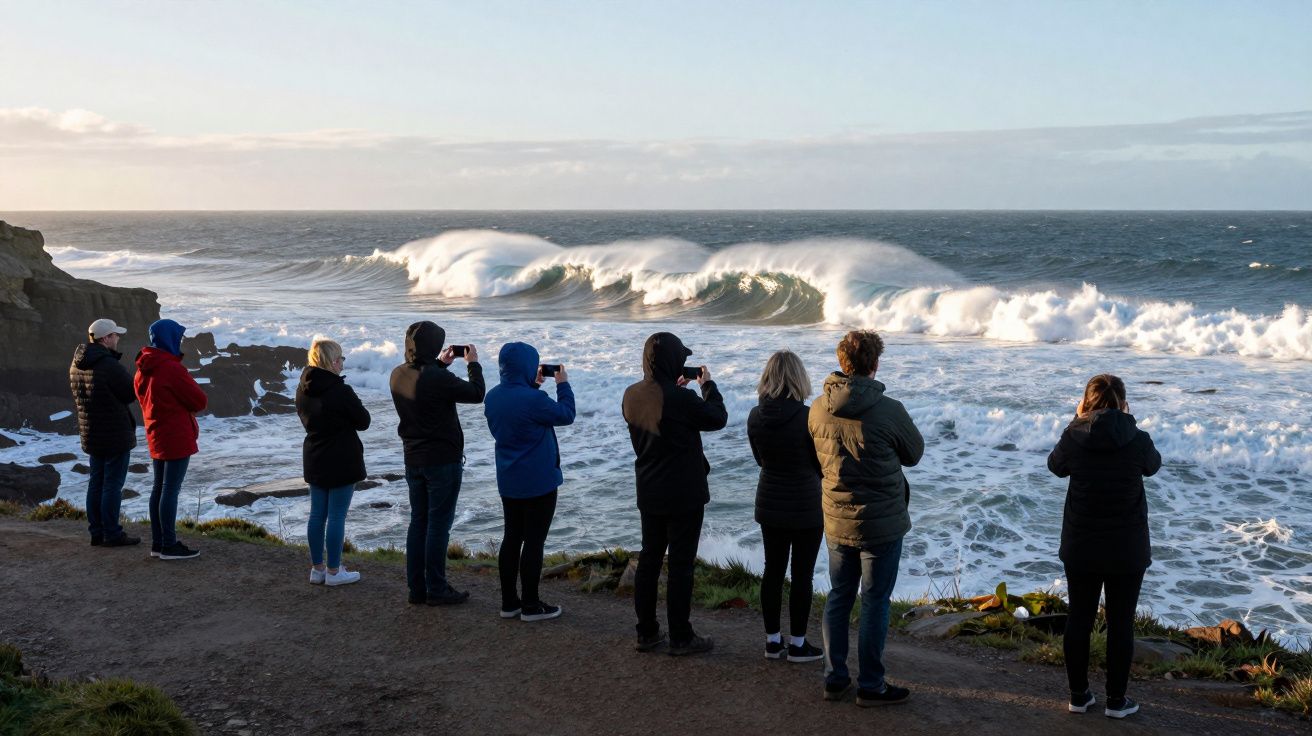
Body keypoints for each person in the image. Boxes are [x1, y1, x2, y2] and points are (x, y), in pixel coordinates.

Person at [809, 329, 922, 706]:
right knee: (875, 600)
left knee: (839, 596)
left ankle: (834, 677)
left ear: (843, 362)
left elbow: (817, 462)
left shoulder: (817, 408)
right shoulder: (889, 409)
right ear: (874, 365)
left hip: (837, 520)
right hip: (882, 522)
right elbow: (914, 453)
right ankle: (871, 685)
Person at [1048, 374, 1160, 720]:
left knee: (1079, 618)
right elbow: (1153, 466)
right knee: (1120, 623)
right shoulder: (1138, 438)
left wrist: (1076, 420)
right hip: (1127, 547)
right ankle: (1116, 700)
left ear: (1086, 402)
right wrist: (1129, 420)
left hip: (1081, 544)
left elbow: (1055, 466)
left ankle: (1078, 696)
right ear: (1123, 402)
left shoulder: (1074, 436)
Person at [622, 332, 727, 655]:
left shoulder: (631, 395)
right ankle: (681, 636)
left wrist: (677, 393)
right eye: (680, 359)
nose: (684, 363)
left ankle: (646, 632)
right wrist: (706, 385)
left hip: (650, 489)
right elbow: (717, 417)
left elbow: (661, 415)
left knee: (650, 559)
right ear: (672, 362)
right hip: (684, 493)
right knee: (681, 565)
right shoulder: (681, 400)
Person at [390, 321, 485, 606]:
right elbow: (476, 393)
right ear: (433, 347)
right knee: (438, 526)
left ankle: (416, 589)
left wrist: (440, 365)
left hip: (413, 458)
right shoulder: (437, 379)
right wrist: (473, 364)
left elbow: (426, 383)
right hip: (442, 460)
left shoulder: (397, 374)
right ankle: (437, 588)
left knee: (418, 523)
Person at [483, 343, 576, 622]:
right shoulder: (534, 401)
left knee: (512, 538)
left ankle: (509, 603)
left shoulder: (493, 397)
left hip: (509, 479)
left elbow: (519, 413)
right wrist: (562, 384)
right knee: (534, 542)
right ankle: (532, 605)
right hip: (538, 481)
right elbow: (566, 414)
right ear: (527, 366)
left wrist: (531, 387)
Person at [748, 350, 823, 663]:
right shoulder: (809, 418)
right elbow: (820, 464)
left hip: (770, 502)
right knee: (802, 576)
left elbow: (759, 459)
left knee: (773, 572)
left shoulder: (755, 415)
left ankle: (772, 641)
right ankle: (798, 644)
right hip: (806, 504)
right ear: (799, 378)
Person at [296, 338, 371, 587]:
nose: (342, 363)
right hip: (341, 456)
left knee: (317, 514)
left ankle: (318, 569)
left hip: (315, 454)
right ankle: (335, 571)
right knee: (337, 515)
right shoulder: (340, 390)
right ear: (333, 361)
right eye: (341, 359)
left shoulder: (303, 388)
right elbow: (363, 421)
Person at [134, 318, 208, 560]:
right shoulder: (171, 368)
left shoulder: (143, 368)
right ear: (170, 339)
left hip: (155, 433)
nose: (181, 341)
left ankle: (158, 543)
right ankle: (169, 544)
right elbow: (199, 400)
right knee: (170, 490)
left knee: (159, 488)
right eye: (178, 337)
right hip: (175, 436)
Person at [69, 318, 140, 548]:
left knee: (96, 482)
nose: (118, 338)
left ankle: (97, 532)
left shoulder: (76, 363)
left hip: (91, 432)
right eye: (115, 335)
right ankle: (112, 533)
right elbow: (130, 393)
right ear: (106, 338)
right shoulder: (108, 365)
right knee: (112, 485)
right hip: (114, 434)